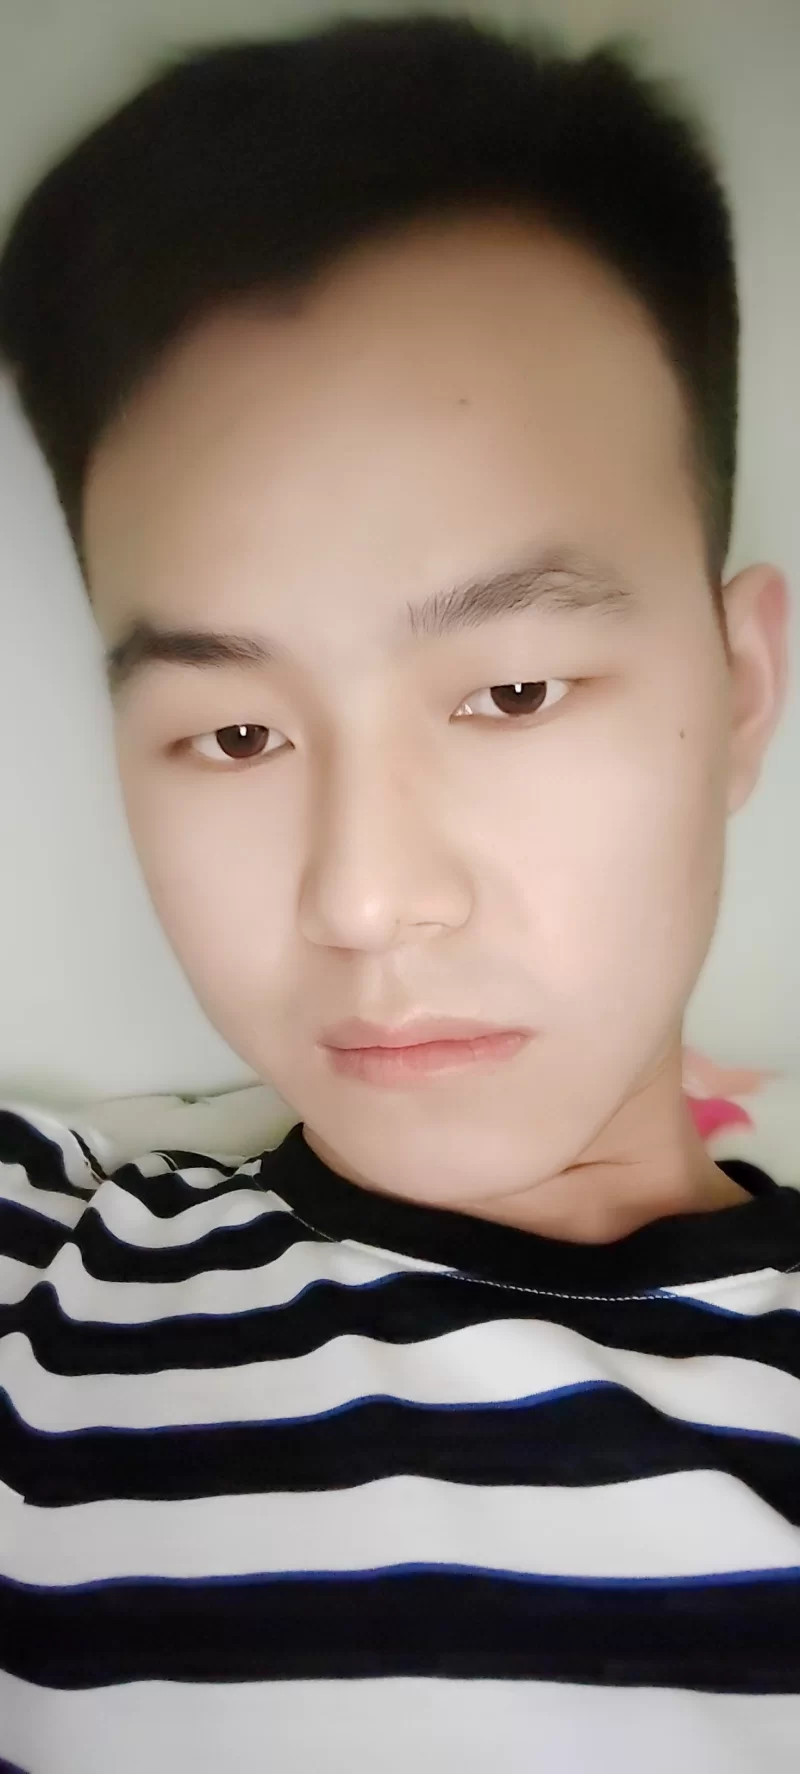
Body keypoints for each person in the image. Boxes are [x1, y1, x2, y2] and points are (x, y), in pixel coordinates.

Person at [0, 13, 796, 1771]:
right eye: (233, 731)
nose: (363, 900)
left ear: (740, 688)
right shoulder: (46, 1279)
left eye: (511, 690)